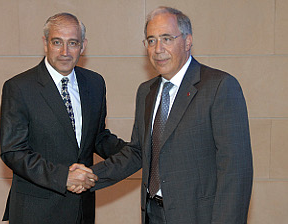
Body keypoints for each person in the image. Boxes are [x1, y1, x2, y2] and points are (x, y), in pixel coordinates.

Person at [90, 6, 253, 224]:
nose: (158, 49)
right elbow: (138, 152)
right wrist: (90, 176)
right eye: (151, 40)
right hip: (152, 214)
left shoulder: (219, 87)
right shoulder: (145, 91)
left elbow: (236, 172)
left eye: (166, 39)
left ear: (187, 41)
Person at [0, 13, 124, 224]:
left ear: (82, 46)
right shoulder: (19, 87)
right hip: (35, 212)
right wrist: (62, 177)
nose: (65, 52)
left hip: (81, 211)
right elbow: (13, 151)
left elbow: (98, 138)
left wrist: (138, 152)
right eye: (57, 42)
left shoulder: (94, 83)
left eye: (72, 43)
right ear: (45, 43)